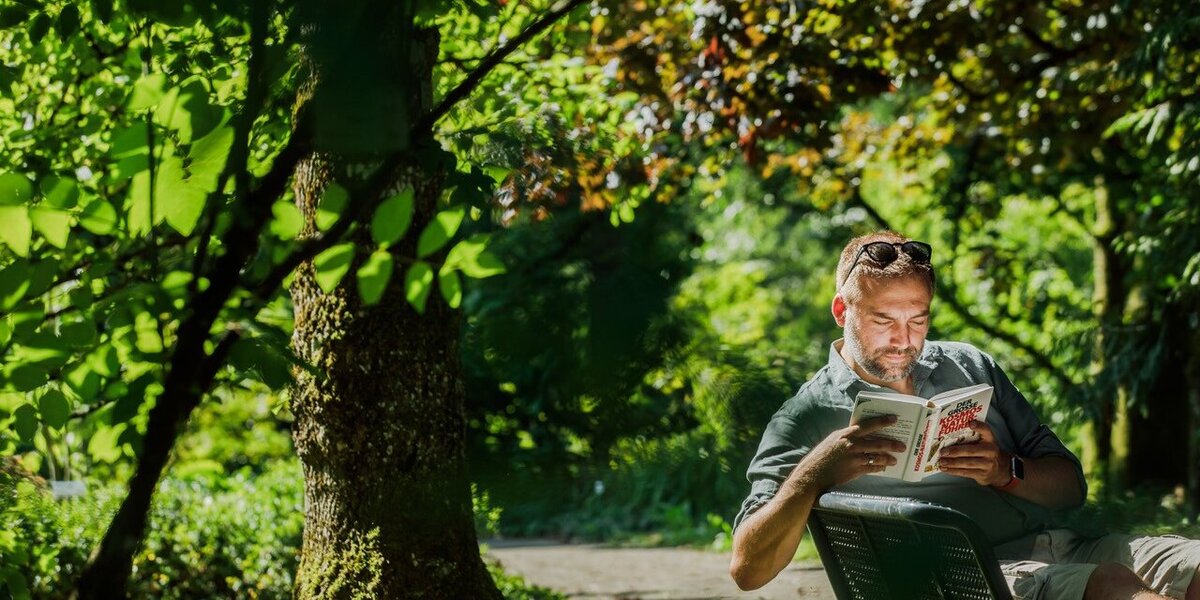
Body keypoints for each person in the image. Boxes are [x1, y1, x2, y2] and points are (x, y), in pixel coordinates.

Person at [728, 231, 1200, 600]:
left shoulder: (970, 366)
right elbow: (748, 569)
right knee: (1113, 587)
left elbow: (1070, 489)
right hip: (975, 579)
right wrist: (815, 473)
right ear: (841, 311)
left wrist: (1004, 471)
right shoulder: (806, 413)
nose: (903, 339)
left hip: (1065, 545)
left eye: (918, 319)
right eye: (882, 321)